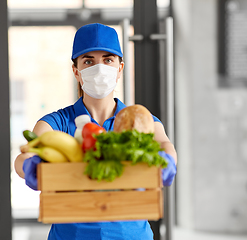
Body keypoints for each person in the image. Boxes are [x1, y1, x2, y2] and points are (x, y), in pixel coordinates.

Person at [14, 23, 177, 240]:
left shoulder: (138, 120)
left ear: (119, 69)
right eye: (89, 61)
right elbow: (26, 154)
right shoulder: (58, 122)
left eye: (108, 60)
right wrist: (29, 166)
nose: (99, 68)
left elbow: (164, 143)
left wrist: (168, 160)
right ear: (76, 71)